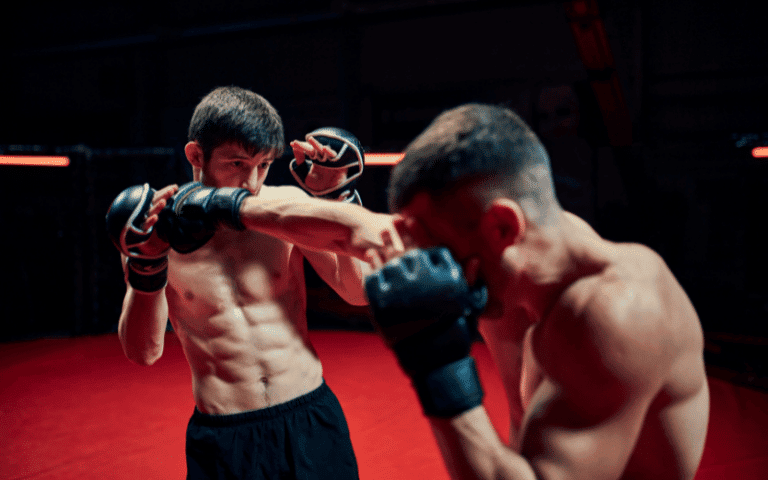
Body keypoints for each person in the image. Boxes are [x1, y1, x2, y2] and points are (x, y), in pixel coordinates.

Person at [364, 103, 710, 479]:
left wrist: (437, 367)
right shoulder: (540, 257)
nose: (441, 272)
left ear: (501, 227)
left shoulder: (612, 314)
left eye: (442, 251)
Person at [106, 85, 402, 479]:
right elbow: (143, 352)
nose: (251, 183)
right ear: (196, 155)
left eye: (262, 165)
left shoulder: (281, 208)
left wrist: (334, 196)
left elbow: (356, 291)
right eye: (237, 164)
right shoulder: (158, 230)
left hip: (309, 413)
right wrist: (147, 265)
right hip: (227, 435)